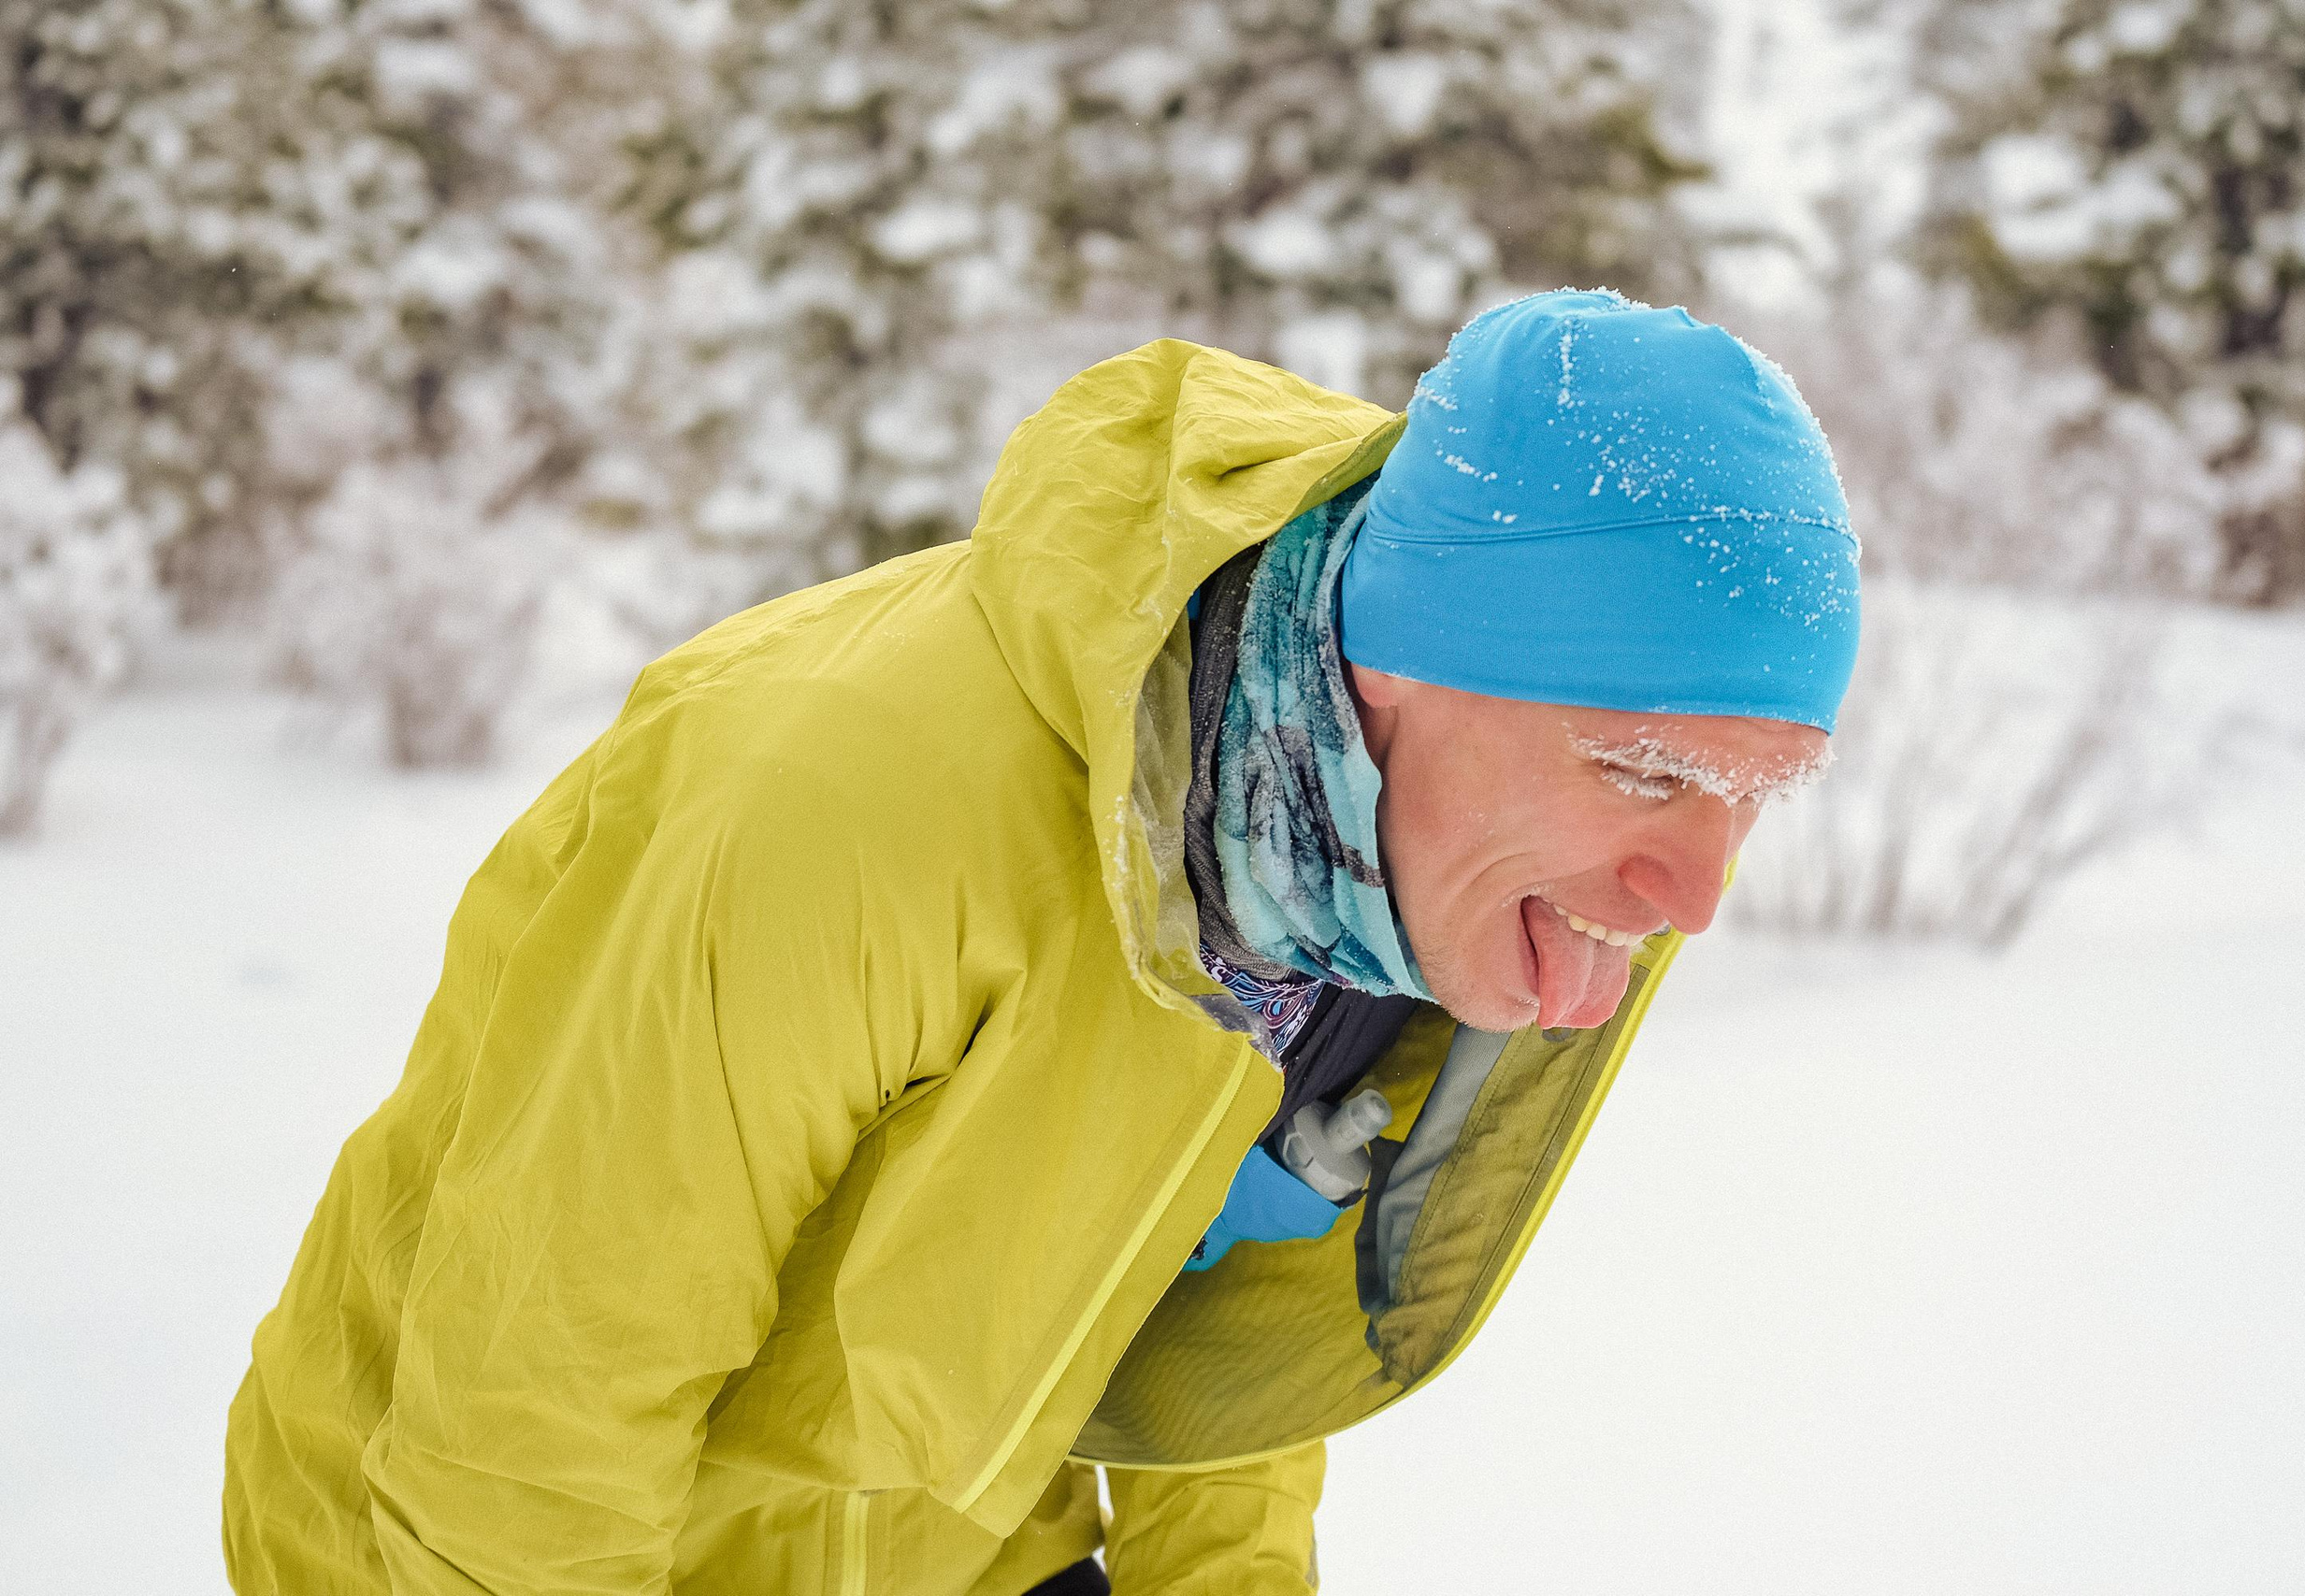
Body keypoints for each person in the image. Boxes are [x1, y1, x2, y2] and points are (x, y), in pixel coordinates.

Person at [223, 289, 1861, 1595]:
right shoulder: (835, 805)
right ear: (1400, 666)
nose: (1695, 896)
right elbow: (534, 1407)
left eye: (1757, 794)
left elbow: (1229, 1325)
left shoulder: (1354, 876)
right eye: (1646, 768)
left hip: (948, 1544)